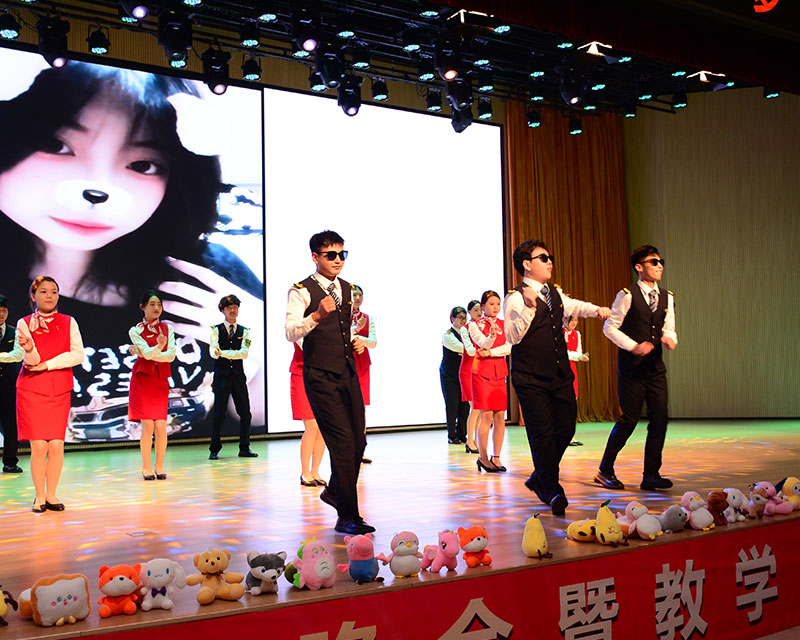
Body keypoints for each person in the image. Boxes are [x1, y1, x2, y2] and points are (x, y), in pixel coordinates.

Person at [0, 59, 264, 444]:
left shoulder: (206, 272)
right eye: (55, 145)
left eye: (142, 164)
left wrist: (262, 352)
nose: (98, 187)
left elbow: (257, 418)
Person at [503, 240, 611, 516]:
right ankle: (551, 489)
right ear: (527, 264)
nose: (550, 261)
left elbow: (574, 306)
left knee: (566, 428)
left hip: (559, 375)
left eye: (550, 257)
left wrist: (597, 310)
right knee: (541, 434)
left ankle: (540, 476)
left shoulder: (554, 292)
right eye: (543, 258)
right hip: (530, 378)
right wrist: (529, 307)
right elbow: (512, 337)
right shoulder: (515, 298)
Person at [285, 230, 374, 536]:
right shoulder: (301, 291)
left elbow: (343, 328)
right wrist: (317, 315)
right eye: (331, 255)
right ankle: (348, 515)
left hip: (347, 371)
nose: (338, 260)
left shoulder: (347, 289)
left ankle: (335, 491)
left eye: (342, 254)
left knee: (359, 441)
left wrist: (355, 341)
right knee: (343, 443)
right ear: (315, 257)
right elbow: (291, 332)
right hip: (319, 374)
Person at [595, 245, 677, 492]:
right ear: (639, 267)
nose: (659, 266)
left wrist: (670, 338)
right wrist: (633, 346)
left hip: (655, 368)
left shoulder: (667, 296)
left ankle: (651, 474)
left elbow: (669, 327)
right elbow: (610, 327)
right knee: (629, 420)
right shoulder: (627, 295)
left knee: (660, 418)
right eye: (654, 262)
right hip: (632, 369)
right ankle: (604, 470)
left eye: (661, 261)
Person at [16, 277, 84, 512]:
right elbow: (32, 361)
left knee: (55, 445)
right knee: (39, 446)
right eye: (44, 291)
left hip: (59, 389)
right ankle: (39, 496)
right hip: (32, 389)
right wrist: (29, 349)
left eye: (54, 292)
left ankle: (52, 495)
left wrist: (49, 364)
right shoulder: (24, 323)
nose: (49, 296)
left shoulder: (69, 322)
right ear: (33, 296)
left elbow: (77, 355)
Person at [128, 290, 176, 480]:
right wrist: (157, 348)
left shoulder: (167, 329)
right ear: (143, 307)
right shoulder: (135, 330)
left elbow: (171, 356)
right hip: (143, 380)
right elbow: (147, 354)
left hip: (160, 380)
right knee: (148, 425)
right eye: (152, 304)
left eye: (159, 305)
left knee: (161, 426)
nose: (156, 308)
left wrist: (148, 352)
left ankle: (160, 466)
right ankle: (146, 466)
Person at [208, 294, 257, 460]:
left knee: (245, 413)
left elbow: (244, 353)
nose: (233, 310)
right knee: (219, 414)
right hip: (222, 376)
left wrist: (222, 353)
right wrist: (221, 353)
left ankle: (245, 447)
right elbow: (213, 352)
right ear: (222, 310)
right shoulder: (215, 330)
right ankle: (214, 449)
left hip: (238, 377)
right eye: (229, 307)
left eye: (235, 307)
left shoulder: (245, 331)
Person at [469, 291, 512, 473]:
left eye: (498, 304)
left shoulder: (504, 324)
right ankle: (483, 457)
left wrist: (492, 352)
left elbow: (509, 347)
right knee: (485, 416)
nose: (495, 307)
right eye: (491, 304)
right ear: (483, 306)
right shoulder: (474, 325)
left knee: (500, 416)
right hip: (482, 374)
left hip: (499, 373)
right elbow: (483, 344)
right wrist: (492, 337)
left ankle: (497, 456)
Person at [291, 342, 327, 487]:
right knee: (312, 425)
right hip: (301, 373)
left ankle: (315, 471)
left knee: (322, 427)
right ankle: (305, 472)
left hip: (323, 376)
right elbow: (306, 345)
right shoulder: (299, 328)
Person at [351, 284, 376, 464]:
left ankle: (360, 450)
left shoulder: (367, 318)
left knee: (361, 408)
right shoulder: (341, 317)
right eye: (354, 295)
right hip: (345, 364)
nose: (358, 298)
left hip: (362, 365)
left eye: (360, 295)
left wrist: (359, 338)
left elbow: (373, 342)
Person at [440, 306, 470, 445]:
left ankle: (462, 434)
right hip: (449, 375)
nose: (463, 321)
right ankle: (452, 435)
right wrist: (467, 351)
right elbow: (462, 348)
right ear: (452, 319)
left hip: (464, 374)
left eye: (465, 318)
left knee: (465, 405)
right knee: (452, 404)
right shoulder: (448, 335)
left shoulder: (467, 334)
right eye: (460, 318)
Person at [0, 295, 23, 473]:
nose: (2, 314)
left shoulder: (14, 332)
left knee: (10, 425)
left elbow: (18, 355)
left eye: (4, 311)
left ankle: (10, 462)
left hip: (8, 387)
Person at [564, 315, 589, 446]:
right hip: (561, 369)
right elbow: (563, 353)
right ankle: (563, 436)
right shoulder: (559, 333)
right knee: (563, 404)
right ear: (564, 320)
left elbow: (578, 351)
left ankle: (571, 436)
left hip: (572, 368)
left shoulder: (576, 334)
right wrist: (578, 356)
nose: (574, 323)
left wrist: (581, 356)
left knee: (573, 402)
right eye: (571, 320)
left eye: (576, 320)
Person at [460, 300, 481, 453]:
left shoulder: (484, 327)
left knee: (481, 408)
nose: (479, 313)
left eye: (481, 309)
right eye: (475, 310)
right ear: (469, 312)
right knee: (474, 407)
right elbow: (470, 350)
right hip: (468, 371)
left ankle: (477, 440)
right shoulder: (465, 329)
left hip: (480, 370)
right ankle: (469, 441)